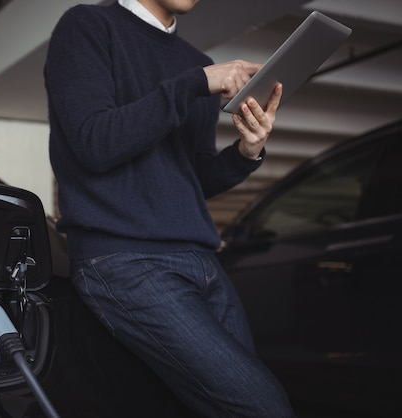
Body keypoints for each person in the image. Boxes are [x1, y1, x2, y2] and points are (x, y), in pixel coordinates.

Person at [44, 0, 295, 416]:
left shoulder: (195, 61)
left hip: (201, 261)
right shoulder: (87, 26)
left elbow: (190, 178)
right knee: (263, 407)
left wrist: (246, 152)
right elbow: (94, 144)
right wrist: (194, 83)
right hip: (125, 261)